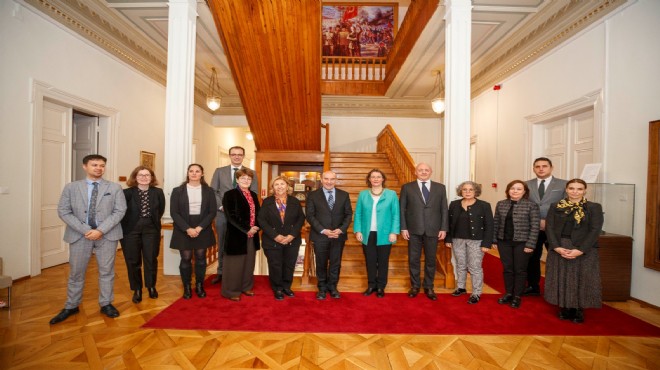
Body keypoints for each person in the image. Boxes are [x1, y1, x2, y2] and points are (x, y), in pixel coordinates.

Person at [50, 154, 127, 324]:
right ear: (85, 166)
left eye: (102, 165)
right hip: (79, 236)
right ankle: (71, 305)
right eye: (94, 165)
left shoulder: (114, 188)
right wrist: (86, 230)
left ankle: (106, 303)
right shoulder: (71, 188)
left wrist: (100, 230)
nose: (99, 168)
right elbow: (63, 211)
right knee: (76, 273)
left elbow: (119, 211)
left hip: (107, 235)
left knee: (107, 272)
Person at [544, 179, 604, 323]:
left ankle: (578, 309)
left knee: (581, 278)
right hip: (560, 246)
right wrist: (556, 247)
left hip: (584, 248)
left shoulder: (593, 207)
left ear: (585, 190)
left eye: (579, 189)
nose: (575, 192)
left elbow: (595, 230)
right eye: (571, 188)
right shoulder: (556, 206)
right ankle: (565, 307)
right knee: (562, 277)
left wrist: (581, 250)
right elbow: (549, 227)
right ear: (566, 189)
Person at [209, 146, 258, 285]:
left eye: (240, 154)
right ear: (229, 156)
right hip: (222, 214)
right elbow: (213, 191)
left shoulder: (251, 173)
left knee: (241, 244)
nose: (236, 157)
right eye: (234, 154)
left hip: (242, 218)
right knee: (223, 243)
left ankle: (239, 273)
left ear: (243, 156)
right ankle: (221, 272)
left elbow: (254, 193)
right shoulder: (219, 171)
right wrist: (221, 206)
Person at [399, 163, 448, 301]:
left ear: (431, 171)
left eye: (427, 170)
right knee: (413, 259)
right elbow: (402, 209)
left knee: (431, 260)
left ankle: (429, 286)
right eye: (421, 170)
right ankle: (415, 286)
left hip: (433, 230)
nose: (424, 172)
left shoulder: (440, 188)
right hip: (413, 230)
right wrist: (403, 228)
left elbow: (444, 209)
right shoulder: (407, 187)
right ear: (415, 172)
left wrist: (444, 228)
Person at [169, 164, 217, 299]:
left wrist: (200, 227)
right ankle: (187, 287)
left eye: (197, 171)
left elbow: (212, 212)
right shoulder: (178, 190)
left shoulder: (209, 191)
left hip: (203, 227)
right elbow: (174, 212)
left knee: (201, 258)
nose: (194, 173)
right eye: (191, 171)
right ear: (188, 173)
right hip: (183, 227)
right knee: (186, 258)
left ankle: (200, 285)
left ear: (202, 174)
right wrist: (187, 229)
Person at [120, 166, 165, 303]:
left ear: (151, 178)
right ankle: (137, 289)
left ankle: (151, 287)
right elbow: (121, 212)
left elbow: (160, 210)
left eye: (147, 175)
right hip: (130, 230)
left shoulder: (158, 192)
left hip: (151, 229)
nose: (144, 177)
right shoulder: (126, 193)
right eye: (141, 175)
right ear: (135, 177)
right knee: (133, 261)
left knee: (151, 259)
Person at [492, 180, 540, 309]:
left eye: (519, 189)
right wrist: (494, 240)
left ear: (524, 191)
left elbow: (535, 226)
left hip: (522, 243)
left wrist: (530, 244)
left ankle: (517, 295)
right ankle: (508, 293)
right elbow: (496, 222)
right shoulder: (501, 204)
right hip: (504, 242)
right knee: (507, 269)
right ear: (508, 190)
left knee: (519, 269)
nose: (515, 191)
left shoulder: (531, 205)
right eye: (512, 188)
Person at [306, 170, 353, 300]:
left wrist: (341, 229)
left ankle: (332, 287)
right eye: (326, 179)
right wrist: (323, 230)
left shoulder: (344, 195)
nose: (329, 181)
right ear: (321, 180)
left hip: (338, 236)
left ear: (335, 180)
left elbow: (348, 214)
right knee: (320, 263)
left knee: (335, 263)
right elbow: (310, 215)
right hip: (320, 235)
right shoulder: (313, 195)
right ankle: (321, 288)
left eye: (332, 179)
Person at [445, 181, 494, 304]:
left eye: (470, 190)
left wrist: (486, 243)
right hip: (457, 240)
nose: (467, 192)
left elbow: (490, 225)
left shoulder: (484, 205)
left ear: (475, 191)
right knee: (460, 264)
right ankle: (461, 287)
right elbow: (449, 223)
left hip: (477, 241)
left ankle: (476, 292)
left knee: (475, 267)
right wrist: (448, 238)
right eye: (464, 189)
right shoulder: (454, 204)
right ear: (461, 191)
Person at [353, 169, 400, 298]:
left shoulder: (391, 194)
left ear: (383, 179)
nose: (375, 179)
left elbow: (396, 214)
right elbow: (358, 214)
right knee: (370, 260)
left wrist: (394, 232)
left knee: (383, 261)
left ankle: (380, 286)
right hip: (367, 234)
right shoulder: (363, 195)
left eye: (378, 177)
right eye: (373, 177)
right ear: (369, 179)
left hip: (385, 234)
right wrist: (358, 230)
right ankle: (371, 285)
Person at [257, 176, 305, 300]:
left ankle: (286, 287)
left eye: (282, 184)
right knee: (275, 265)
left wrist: (291, 235)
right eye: (276, 184)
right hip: (272, 240)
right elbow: (261, 220)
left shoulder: (295, 201)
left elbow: (301, 219)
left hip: (291, 240)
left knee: (289, 264)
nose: (279, 187)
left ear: (287, 186)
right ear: (273, 188)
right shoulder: (267, 202)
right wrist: (275, 236)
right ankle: (277, 288)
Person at [524, 157, 567, 296]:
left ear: (551, 167)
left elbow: (566, 206)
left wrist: (548, 221)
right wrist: (537, 220)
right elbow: (523, 206)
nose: (541, 169)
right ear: (533, 168)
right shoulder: (526, 185)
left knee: (556, 258)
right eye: (537, 166)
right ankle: (532, 286)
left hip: (554, 228)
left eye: (544, 166)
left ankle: (555, 289)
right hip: (532, 228)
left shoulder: (563, 184)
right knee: (531, 258)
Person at [222, 168, 261, 301]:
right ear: (237, 180)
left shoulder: (254, 195)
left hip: (252, 235)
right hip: (237, 235)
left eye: (249, 179)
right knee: (235, 264)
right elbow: (231, 216)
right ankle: (232, 291)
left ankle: (246, 287)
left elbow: (258, 214)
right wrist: (247, 229)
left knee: (249, 262)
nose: (246, 180)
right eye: (243, 178)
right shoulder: (229, 195)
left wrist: (256, 227)